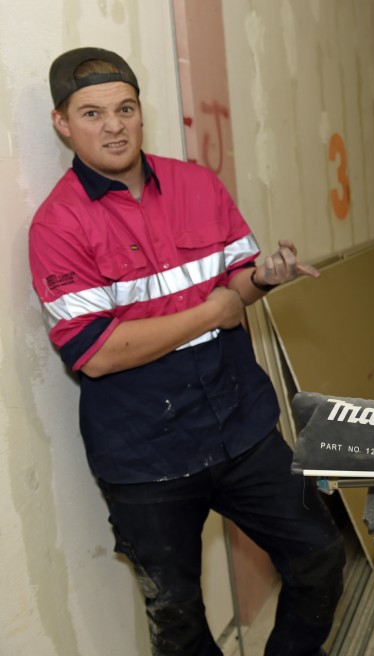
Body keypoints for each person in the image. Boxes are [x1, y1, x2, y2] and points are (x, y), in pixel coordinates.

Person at [29, 47, 346, 656]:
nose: (113, 125)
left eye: (125, 108)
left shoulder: (196, 185)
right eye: (91, 114)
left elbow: (239, 280)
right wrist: (213, 310)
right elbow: (96, 352)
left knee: (319, 557)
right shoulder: (58, 226)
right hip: (146, 456)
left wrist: (264, 278)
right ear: (62, 124)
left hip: (242, 428)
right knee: (179, 626)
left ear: (141, 113)